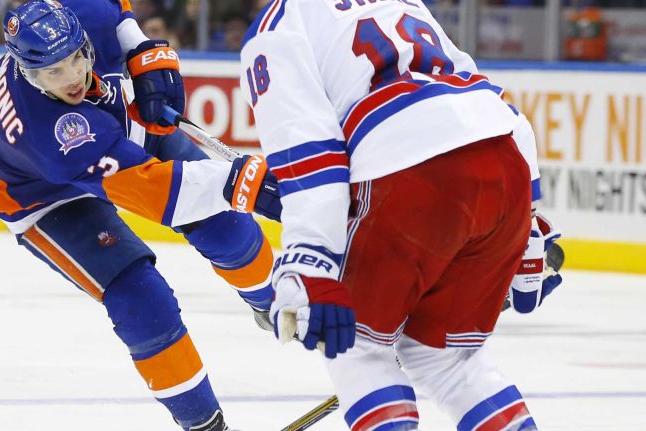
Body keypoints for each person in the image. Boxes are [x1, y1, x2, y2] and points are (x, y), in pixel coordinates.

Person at [234, 1, 560, 430]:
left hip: (409, 172)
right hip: (503, 162)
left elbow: (312, 156)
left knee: (357, 348)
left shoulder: (275, 29)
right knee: (448, 360)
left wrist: (310, 259)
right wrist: (530, 224)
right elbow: (481, 89)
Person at [0, 1, 280, 430]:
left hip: (116, 129)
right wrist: (243, 182)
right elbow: (161, 194)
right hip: (46, 197)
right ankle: (204, 425)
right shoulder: (49, 133)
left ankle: (277, 303)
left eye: (76, 58)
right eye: (53, 73)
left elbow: (114, 8)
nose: (72, 78)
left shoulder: (79, 13)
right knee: (141, 299)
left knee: (228, 228)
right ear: (28, 74)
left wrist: (138, 46)